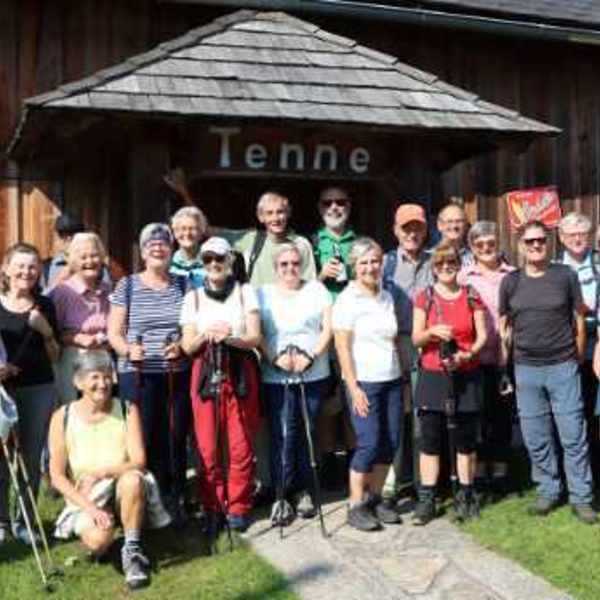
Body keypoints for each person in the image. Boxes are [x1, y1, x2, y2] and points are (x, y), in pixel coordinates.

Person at [499, 221, 596, 524]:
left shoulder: (564, 276)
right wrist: (506, 366)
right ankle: (548, 491)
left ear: (549, 243)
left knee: (573, 435)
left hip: (563, 366)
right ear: (521, 246)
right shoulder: (511, 282)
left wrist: (577, 355)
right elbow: (505, 326)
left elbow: (579, 318)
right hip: (526, 369)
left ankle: (582, 498)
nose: (536, 245)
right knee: (536, 436)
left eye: (541, 240)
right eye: (530, 242)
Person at [49, 351, 169, 590]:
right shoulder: (62, 417)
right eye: (94, 377)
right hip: (86, 496)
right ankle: (113, 529)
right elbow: (57, 476)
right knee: (97, 543)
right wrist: (91, 509)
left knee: (133, 480)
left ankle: (133, 551)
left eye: (106, 376)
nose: (102, 384)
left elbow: (138, 461)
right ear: (78, 382)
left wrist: (101, 473)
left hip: (121, 484)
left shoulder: (126, 409)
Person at [108, 223, 190, 524]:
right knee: (142, 438)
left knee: (175, 434)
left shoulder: (184, 285)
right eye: (151, 245)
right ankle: (141, 502)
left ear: (172, 250)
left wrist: (181, 345)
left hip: (174, 371)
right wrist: (128, 350)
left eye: (163, 244)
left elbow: (191, 327)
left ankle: (175, 496)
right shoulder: (126, 286)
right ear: (142, 252)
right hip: (138, 372)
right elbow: (114, 333)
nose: (158, 248)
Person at [181, 237, 261, 532]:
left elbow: (254, 337)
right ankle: (212, 505)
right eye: (207, 260)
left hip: (239, 367)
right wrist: (207, 333)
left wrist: (229, 336)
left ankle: (238, 506)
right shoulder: (193, 298)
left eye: (219, 259)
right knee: (207, 447)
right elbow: (188, 345)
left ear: (230, 261)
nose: (214, 265)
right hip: (205, 369)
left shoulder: (245, 292)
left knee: (241, 444)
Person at [412, 241, 487, 525]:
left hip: (466, 373)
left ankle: (466, 494)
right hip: (433, 375)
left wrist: (468, 354)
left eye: (451, 263)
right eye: (441, 263)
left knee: (466, 440)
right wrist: (432, 332)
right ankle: (428, 498)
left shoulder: (471, 295)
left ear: (459, 265)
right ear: (433, 268)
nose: (446, 267)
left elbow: (482, 335)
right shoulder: (425, 297)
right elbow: (417, 337)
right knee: (430, 439)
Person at [258, 243, 332, 525]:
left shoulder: (316, 290)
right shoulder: (262, 293)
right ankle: (280, 494)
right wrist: (274, 357)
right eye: (284, 264)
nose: (290, 268)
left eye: (294, 263)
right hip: (276, 376)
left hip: (312, 374)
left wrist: (311, 357)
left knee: (307, 431)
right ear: (275, 267)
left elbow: (329, 328)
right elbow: (258, 332)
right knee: (282, 434)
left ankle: (303, 491)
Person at [333, 237, 404, 531]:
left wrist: (405, 381)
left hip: (393, 379)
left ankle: (376, 500)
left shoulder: (386, 296)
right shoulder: (347, 300)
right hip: (365, 382)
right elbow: (342, 348)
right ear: (354, 266)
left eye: (375, 261)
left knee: (391, 442)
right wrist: (354, 388)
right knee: (369, 443)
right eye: (364, 262)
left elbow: (394, 340)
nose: (370, 267)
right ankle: (355, 504)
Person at [0, 243, 60, 544]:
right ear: (6, 269)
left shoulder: (44, 306)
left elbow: (55, 354)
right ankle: (1, 523)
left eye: (33, 267)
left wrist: (45, 330)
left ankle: (25, 521)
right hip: (1, 391)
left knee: (31, 455)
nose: (27, 272)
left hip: (38, 387)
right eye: (20, 265)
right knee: (1, 455)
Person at [459, 221, 514, 494]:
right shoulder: (464, 277)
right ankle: (479, 471)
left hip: (505, 355)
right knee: (477, 415)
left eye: (490, 243)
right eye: (479, 245)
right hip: (475, 357)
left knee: (502, 414)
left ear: (498, 243)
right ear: (472, 248)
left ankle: (501, 470)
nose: (486, 248)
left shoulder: (513, 274)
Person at [381, 203, 432, 498]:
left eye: (417, 227)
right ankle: (397, 479)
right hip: (395, 344)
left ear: (425, 230)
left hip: (427, 345)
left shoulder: (436, 260)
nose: (412, 233)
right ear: (396, 231)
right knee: (397, 413)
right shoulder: (385, 263)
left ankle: (421, 481)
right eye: (406, 228)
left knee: (423, 413)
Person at [312, 186, 357, 489]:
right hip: (324, 332)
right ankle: (329, 463)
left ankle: (355, 461)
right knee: (329, 403)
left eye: (341, 201)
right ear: (320, 208)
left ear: (349, 207)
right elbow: (298, 288)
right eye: (328, 202)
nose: (334, 207)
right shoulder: (312, 242)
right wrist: (319, 277)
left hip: (354, 331)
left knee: (353, 398)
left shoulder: (360, 242)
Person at [557, 212, 600, 476]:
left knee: (595, 409)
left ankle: (594, 470)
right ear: (561, 238)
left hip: (597, 340)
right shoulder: (553, 267)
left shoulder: (598, 264)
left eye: (581, 233)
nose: (576, 238)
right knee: (569, 408)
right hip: (565, 341)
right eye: (571, 234)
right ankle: (571, 472)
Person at [51, 232, 111, 405]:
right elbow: (54, 333)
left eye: (94, 255)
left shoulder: (109, 290)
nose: (89, 261)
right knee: (74, 411)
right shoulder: (63, 292)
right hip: (73, 359)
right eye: (83, 257)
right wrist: (78, 338)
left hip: (103, 359)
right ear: (73, 261)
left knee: (103, 412)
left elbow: (117, 328)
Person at [42, 213, 85, 291]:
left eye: (73, 234)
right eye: (62, 234)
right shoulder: (45, 268)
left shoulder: (97, 267)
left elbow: (109, 299)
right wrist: (59, 281)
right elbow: (38, 300)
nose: (68, 239)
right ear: (56, 237)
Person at [169, 206, 208, 288]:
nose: (187, 234)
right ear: (175, 232)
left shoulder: (212, 262)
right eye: (183, 229)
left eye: (192, 229)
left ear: (202, 231)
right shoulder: (167, 265)